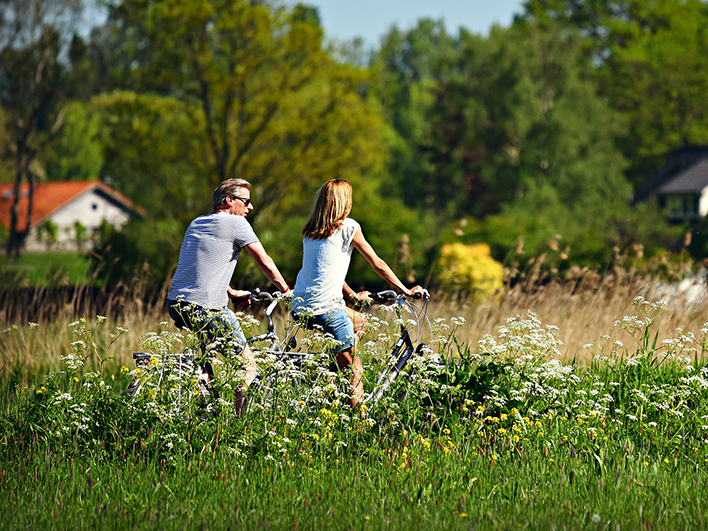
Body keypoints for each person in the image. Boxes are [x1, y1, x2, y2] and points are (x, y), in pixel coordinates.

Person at [291, 179, 426, 407]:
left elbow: (325, 270)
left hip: (300, 305)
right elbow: (377, 264)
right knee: (356, 369)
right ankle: (358, 427)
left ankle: (332, 372)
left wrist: (352, 295)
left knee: (360, 320)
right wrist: (405, 290)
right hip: (327, 307)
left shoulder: (311, 232)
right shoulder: (349, 227)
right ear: (345, 202)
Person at [166, 178, 290, 413]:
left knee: (206, 359)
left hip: (176, 303)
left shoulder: (196, 223)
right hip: (206, 307)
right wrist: (285, 290)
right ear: (229, 201)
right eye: (246, 202)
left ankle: (205, 409)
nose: (250, 208)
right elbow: (265, 262)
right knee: (246, 368)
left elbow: (202, 266)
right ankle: (238, 425)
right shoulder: (236, 224)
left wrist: (232, 292)